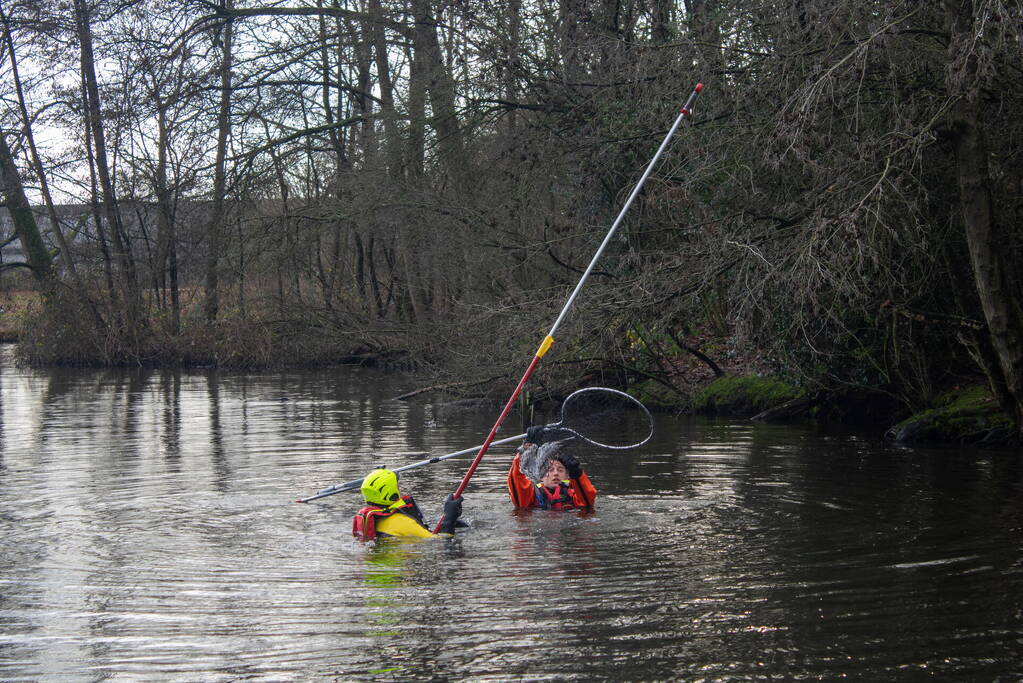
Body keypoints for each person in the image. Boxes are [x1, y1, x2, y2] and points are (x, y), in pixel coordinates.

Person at [353, 468, 464, 540]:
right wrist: (449, 518)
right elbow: (440, 542)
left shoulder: (374, 518)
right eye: (397, 486)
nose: (401, 489)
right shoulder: (404, 523)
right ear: (391, 493)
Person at [507, 428, 597, 509]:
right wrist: (526, 450)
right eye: (550, 469)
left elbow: (588, 502)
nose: (556, 473)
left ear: (567, 476)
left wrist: (577, 474)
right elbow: (516, 479)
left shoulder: (575, 497)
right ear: (540, 475)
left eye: (560, 470)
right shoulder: (530, 497)